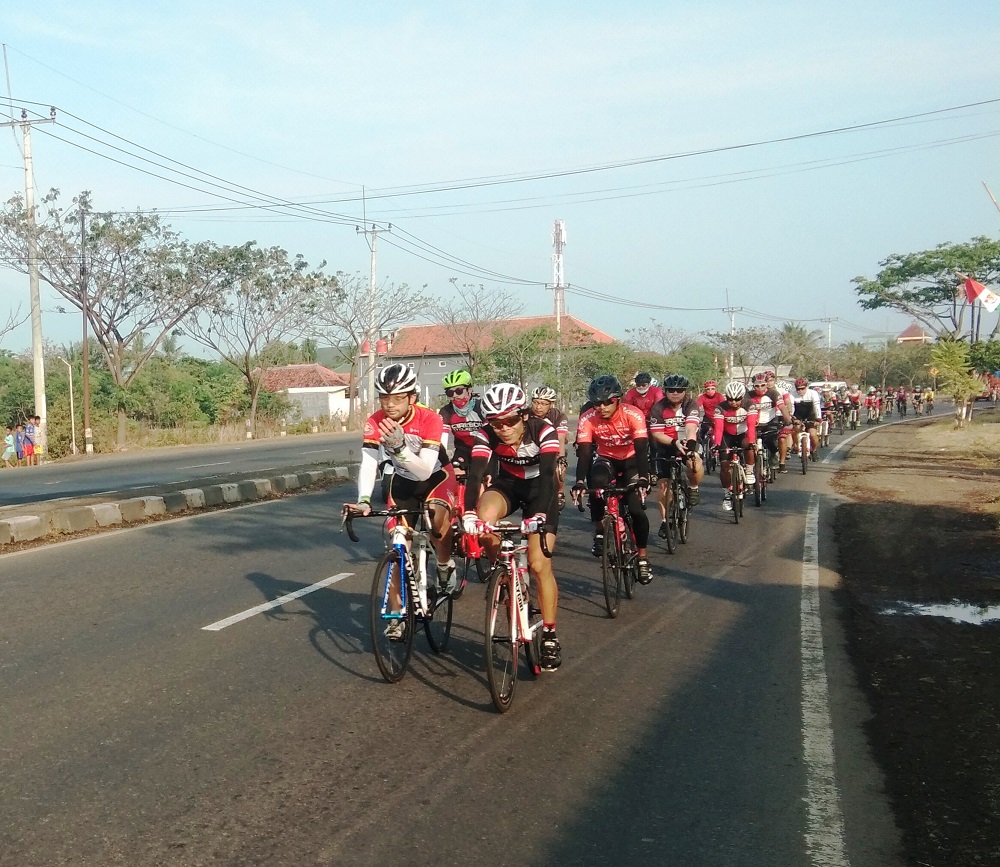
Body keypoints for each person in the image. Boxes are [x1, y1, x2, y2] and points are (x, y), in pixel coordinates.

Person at [345, 363, 458, 625]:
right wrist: (363, 499)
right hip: (402, 482)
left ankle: (443, 565)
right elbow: (369, 462)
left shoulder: (430, 418)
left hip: (436, 479)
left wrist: (399, 450)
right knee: (398, 540)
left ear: (412, 397)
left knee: (438, 526)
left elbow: (424, 471)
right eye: (384, 398)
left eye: (397, 398)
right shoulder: (375, 421)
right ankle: (396, 613)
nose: (390, 405)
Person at [462, 383, 563, 671]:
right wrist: (469, 514)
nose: (504, 428)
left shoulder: (543, 430)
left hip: (539, 491)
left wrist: (540, 514)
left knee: (539, 564)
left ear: (524, 416)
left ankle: (550, 634)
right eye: (496, 423)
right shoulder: (485, 434)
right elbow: (476, 474)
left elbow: (546, 476)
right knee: (483, 521)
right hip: (508, 486)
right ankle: (503, 572)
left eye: (510, 421)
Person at [573, 374, 653, 583]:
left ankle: (643, 558)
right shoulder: (588, 418)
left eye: (607, 402)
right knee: (597, 484)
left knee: (635, 510)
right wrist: (580, 481)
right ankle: (601, 531)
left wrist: (644, 477)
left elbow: (642, 448)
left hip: (631, 460)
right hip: (606, 458)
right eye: (597, 403)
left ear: (618, 399)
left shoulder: (633, 414)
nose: (602, 407)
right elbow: (584, 453)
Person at [648, 374, 704, 538]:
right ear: (665, 391)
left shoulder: (690, 404)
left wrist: (690, 447)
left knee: (695, 464)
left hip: (687, 442)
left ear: (685, 392)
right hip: (666, 445)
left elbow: (690, 427)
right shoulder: (658, 408)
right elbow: (657, 433)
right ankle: (666, 522)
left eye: (679, 390)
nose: (675, 393)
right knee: (664, 487)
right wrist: (674, 442)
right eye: (671, 390)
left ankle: (693, 487)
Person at [713, 381, 759, 511]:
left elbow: (751, 426)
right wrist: (716, 444)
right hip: (727, 436)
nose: (734, 402)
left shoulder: (749, 405)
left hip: (744, 434)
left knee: (748, 445)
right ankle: (727, 494)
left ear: (742, 397)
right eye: (730, 399)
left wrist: (752, 442)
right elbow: (718, 429)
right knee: (724, 465)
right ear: (726, 397)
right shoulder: (720, 407)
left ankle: (749, 471)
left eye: (737, 399)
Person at [438, 369, 485, 476]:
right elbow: (442, 439)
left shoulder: (482, 407)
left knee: (483, 478)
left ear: (469, 390)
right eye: (450, 392)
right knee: (455, 475)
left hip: (484, 448)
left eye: (459, 391)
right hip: (463, 449)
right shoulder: (446, 411)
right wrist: (444, 461)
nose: (455, 395)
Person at [529, 386, 569, 507]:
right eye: (535, 402)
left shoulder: (558, 416)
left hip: (552, 445)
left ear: (550, 405)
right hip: (532, 446)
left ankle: (560, 492)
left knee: (558, 468)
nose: (538, 407)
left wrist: (561, 458)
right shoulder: (526, 414)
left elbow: (561, 438)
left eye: (543, 404)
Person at [748, 372, 792, 473]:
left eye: (763, 385)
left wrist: (788, 420)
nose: (760, 388)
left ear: (766, 384)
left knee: (772, 442)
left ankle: (773, 456)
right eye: (757, 386)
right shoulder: (748, 395)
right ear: (753, 386)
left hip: (770, 422)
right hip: (754, 424)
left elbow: (782, 407)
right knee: (748, 445)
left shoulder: (773, 393)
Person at [791, 378, 823, 452]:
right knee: (796, 430)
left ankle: (814, 450)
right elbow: (791, 407)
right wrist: (792, 418)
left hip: (811, 416)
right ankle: (796, 445)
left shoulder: (813, 393)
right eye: (798, 389)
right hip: (798, 416)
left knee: (812, 434)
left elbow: (816, 406)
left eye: (802, 388)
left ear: (806, 387)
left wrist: (818, 418)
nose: (800, 391)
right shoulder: (792, 394)